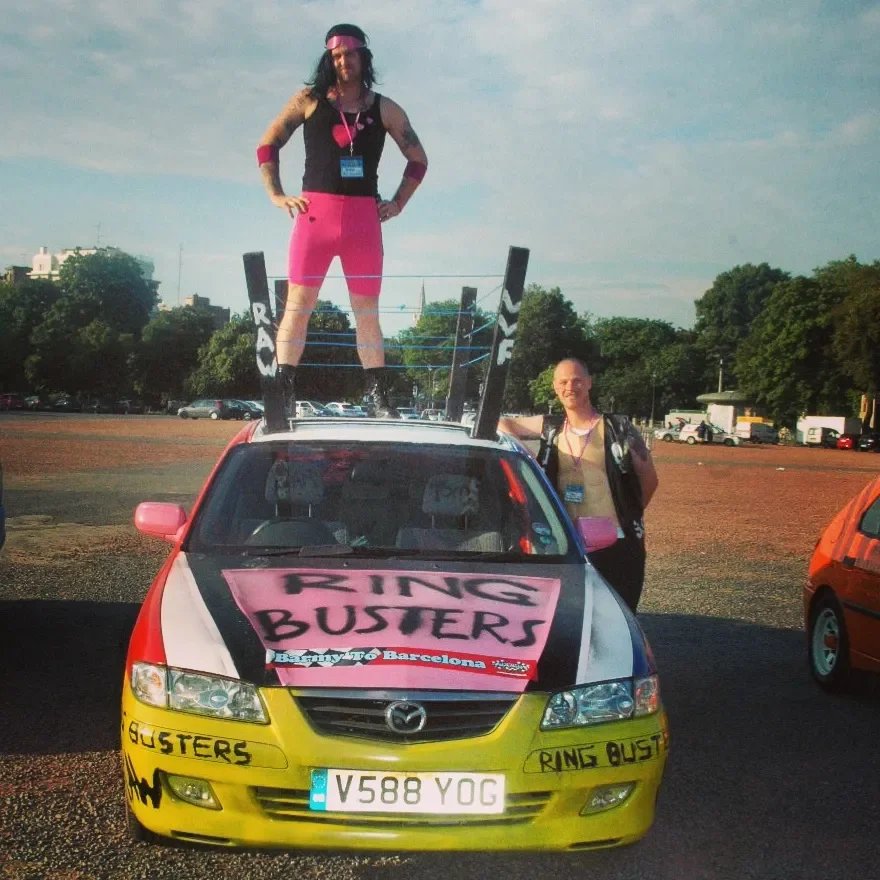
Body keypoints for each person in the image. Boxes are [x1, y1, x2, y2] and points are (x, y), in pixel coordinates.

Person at [257, 23, 428, 418]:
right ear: (327, 59)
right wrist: (277, 195)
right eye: (335, 56)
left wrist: (398, 203)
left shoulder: (384, 107)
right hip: (314, 216)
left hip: (363, 222)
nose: (342, 62)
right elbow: (267, 145)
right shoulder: (308, 100)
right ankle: (283, 390)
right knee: (297, 307)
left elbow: (418, 160)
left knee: (367, 311)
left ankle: (378, 396)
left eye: (349, 54)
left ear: (362, 57)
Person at [498, 358, 659, 612]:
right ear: (555, 387)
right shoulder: (551, 428)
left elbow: (650, 480)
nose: (569, 387)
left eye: (577, 380)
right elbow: (503, 424)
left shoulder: (618, 428)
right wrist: (524, 454)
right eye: (563, 382)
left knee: (618, 614)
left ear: (589, 383)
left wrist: (628, 516)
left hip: (615, 545)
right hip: (569, 546)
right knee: (572, 617)